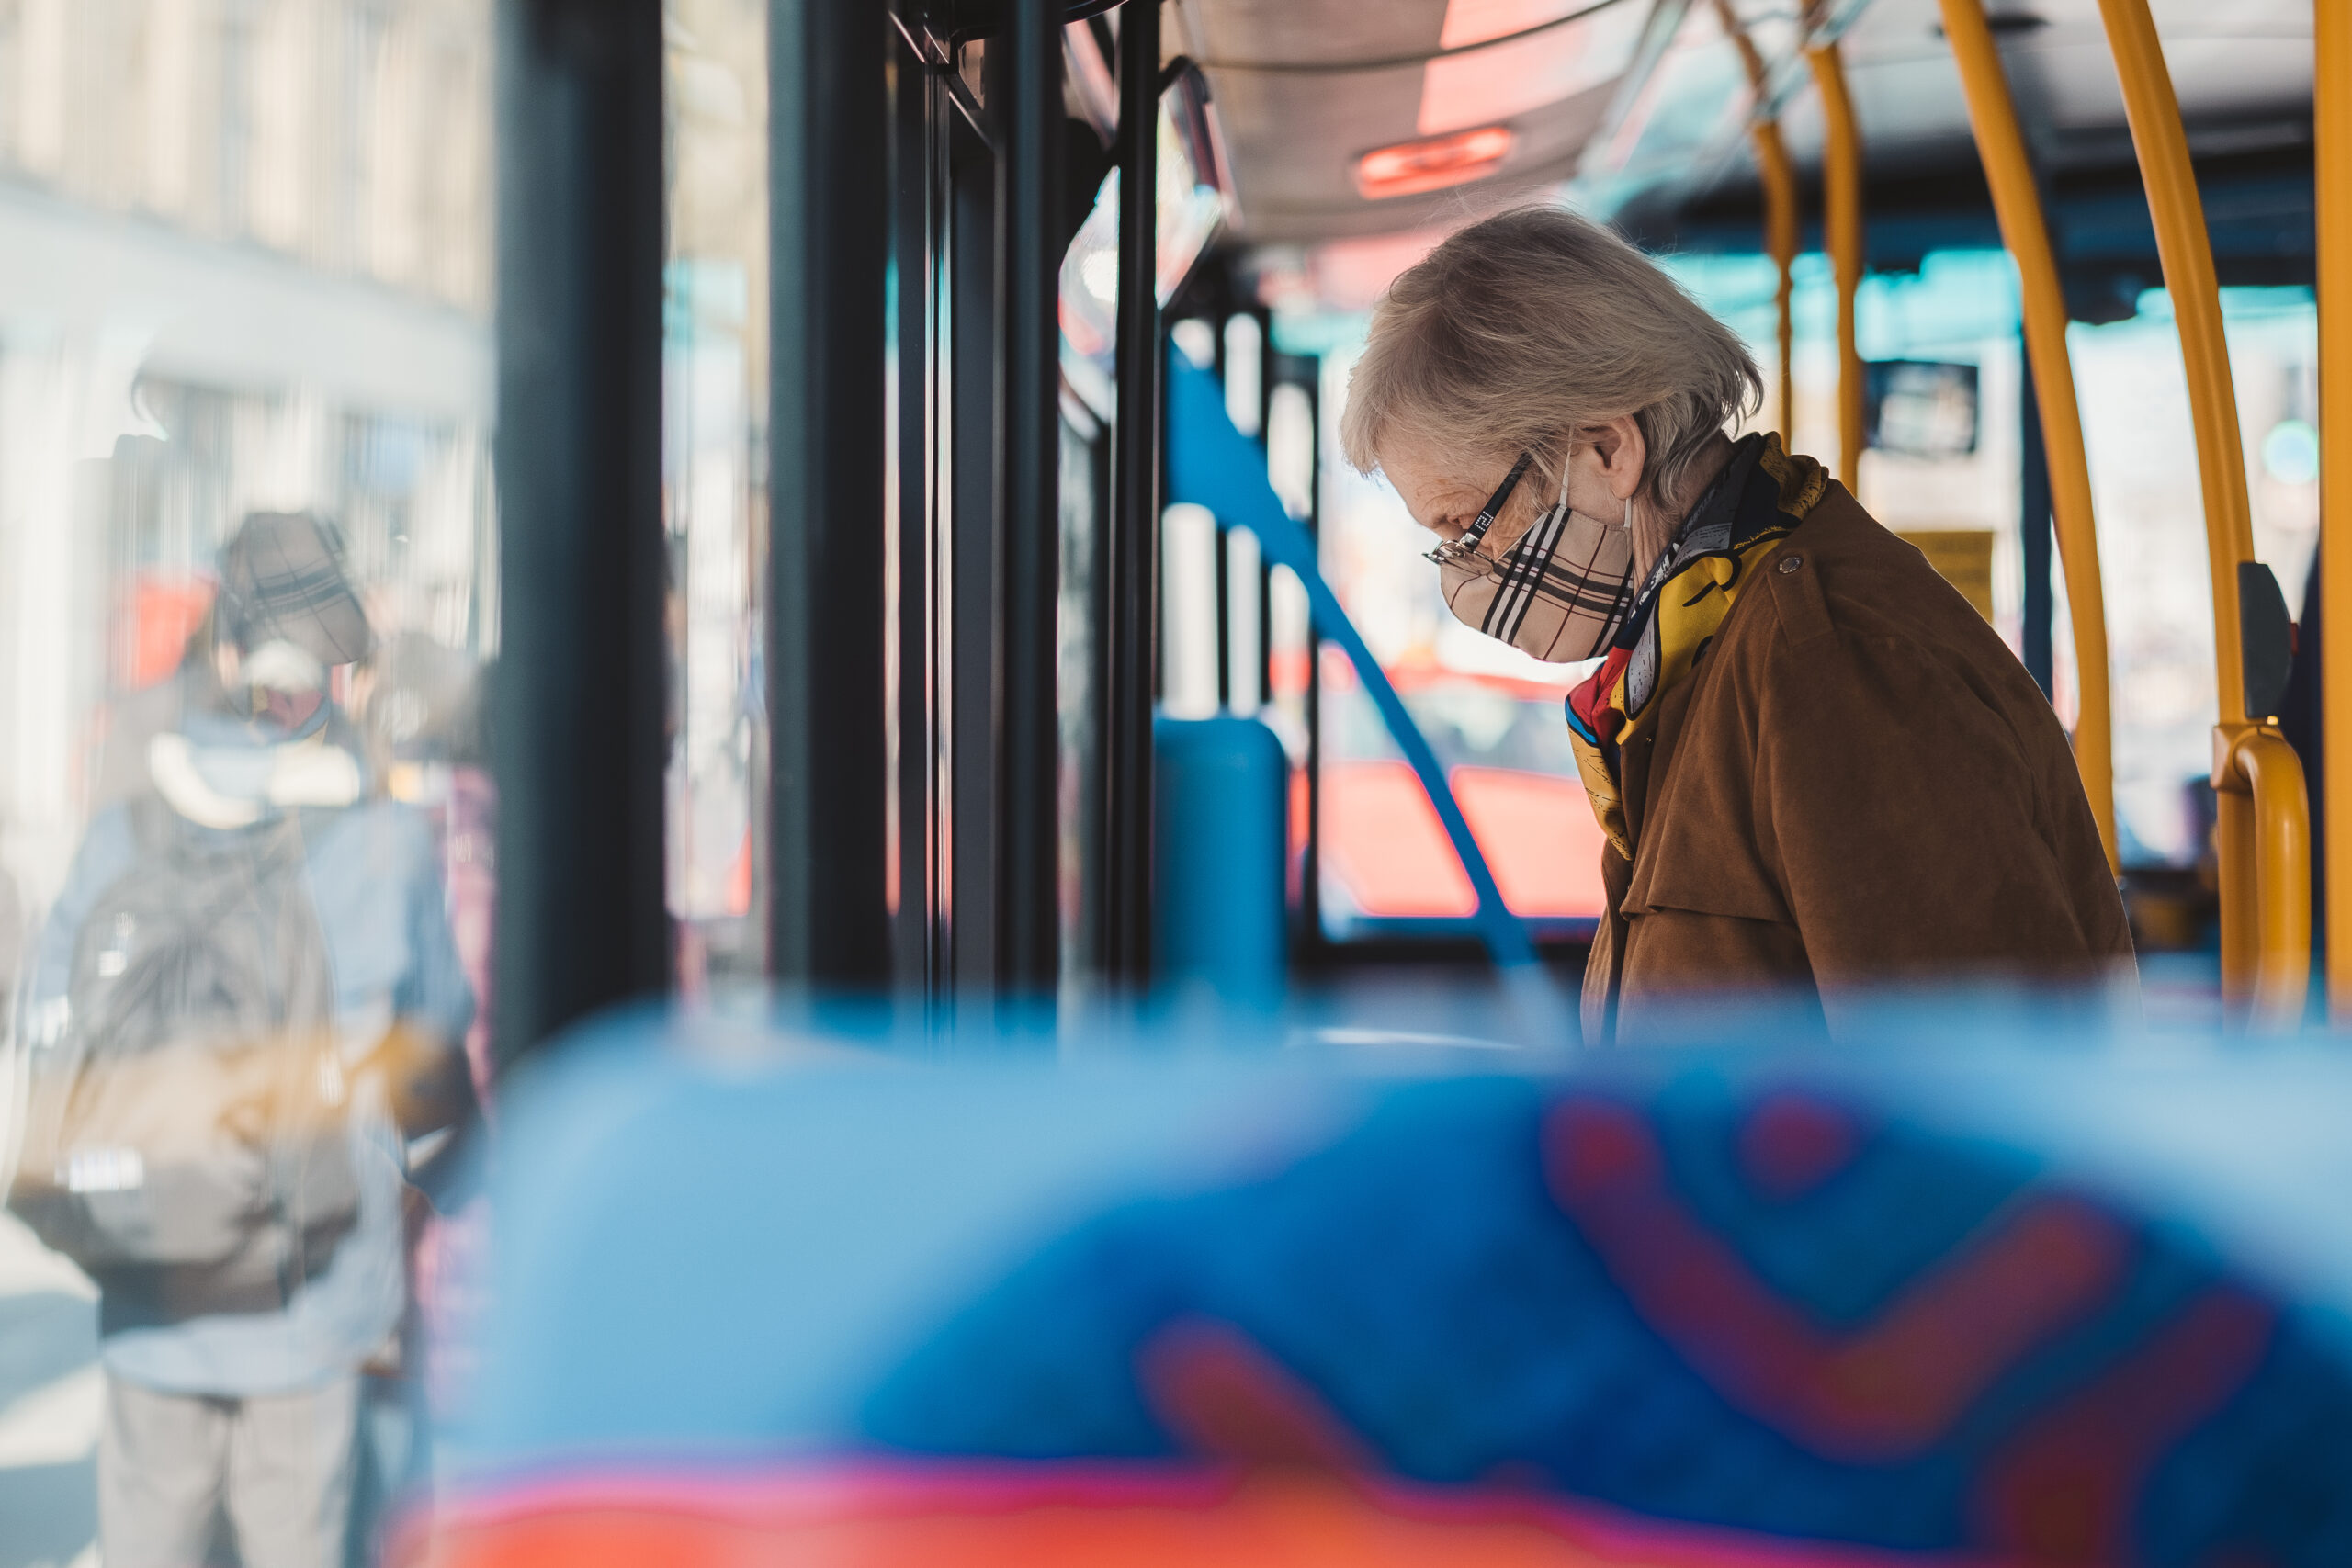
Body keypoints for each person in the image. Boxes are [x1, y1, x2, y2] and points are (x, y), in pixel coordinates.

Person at [1338, 207, 2132, 1040]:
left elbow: (1980, 1120)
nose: (1466, 574)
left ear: (1611, 450)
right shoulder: (1694, 660)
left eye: (1471, 527)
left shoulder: (1837, 668)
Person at [12, 512, 473, 1567]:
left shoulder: (124, 830)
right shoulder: (381, 846)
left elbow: (53, 1035)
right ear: (337, 674)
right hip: (316, 1307)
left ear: (225, 656)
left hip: (152, 1293)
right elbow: (433, 1090)